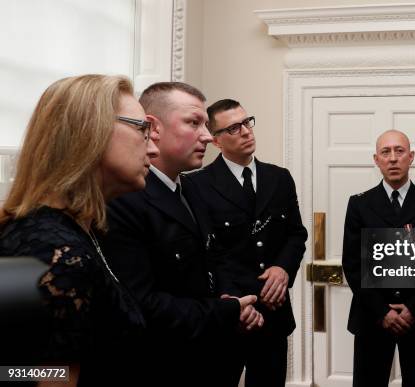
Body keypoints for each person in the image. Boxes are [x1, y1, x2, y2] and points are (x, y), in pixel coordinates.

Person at [0, 74, 159, 386]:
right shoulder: (51, 250)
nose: (153, 147)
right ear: (90, 131)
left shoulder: (73, 233)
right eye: (143, 129)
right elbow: (21, 374)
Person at [100, 83, 262, 385]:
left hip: (207, 358)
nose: (207, 136)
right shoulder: (124, 199)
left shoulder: (190, 189)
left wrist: (234, 299)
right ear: (153, 128)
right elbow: (141, 304)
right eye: (193, 122)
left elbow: (213, 256)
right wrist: (225, 310)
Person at [184, 99, 308, 387]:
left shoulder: (279, 178)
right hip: (229, 313)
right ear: (216, 140)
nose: (246, 131)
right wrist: (234, 300)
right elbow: (207, 252)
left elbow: (296, 234)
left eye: (247, 122)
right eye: (234, 128)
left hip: (274, 313)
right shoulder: (197, 185)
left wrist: (282, 269)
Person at [342, 130, 415, 387]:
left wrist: (412, 308)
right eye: (385, 152)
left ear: (411, 157)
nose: (392, 158)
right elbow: (353, 265)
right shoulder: (359, 204)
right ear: (376, 159)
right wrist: (383, 312)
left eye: (399, 151)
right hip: (372, 317)